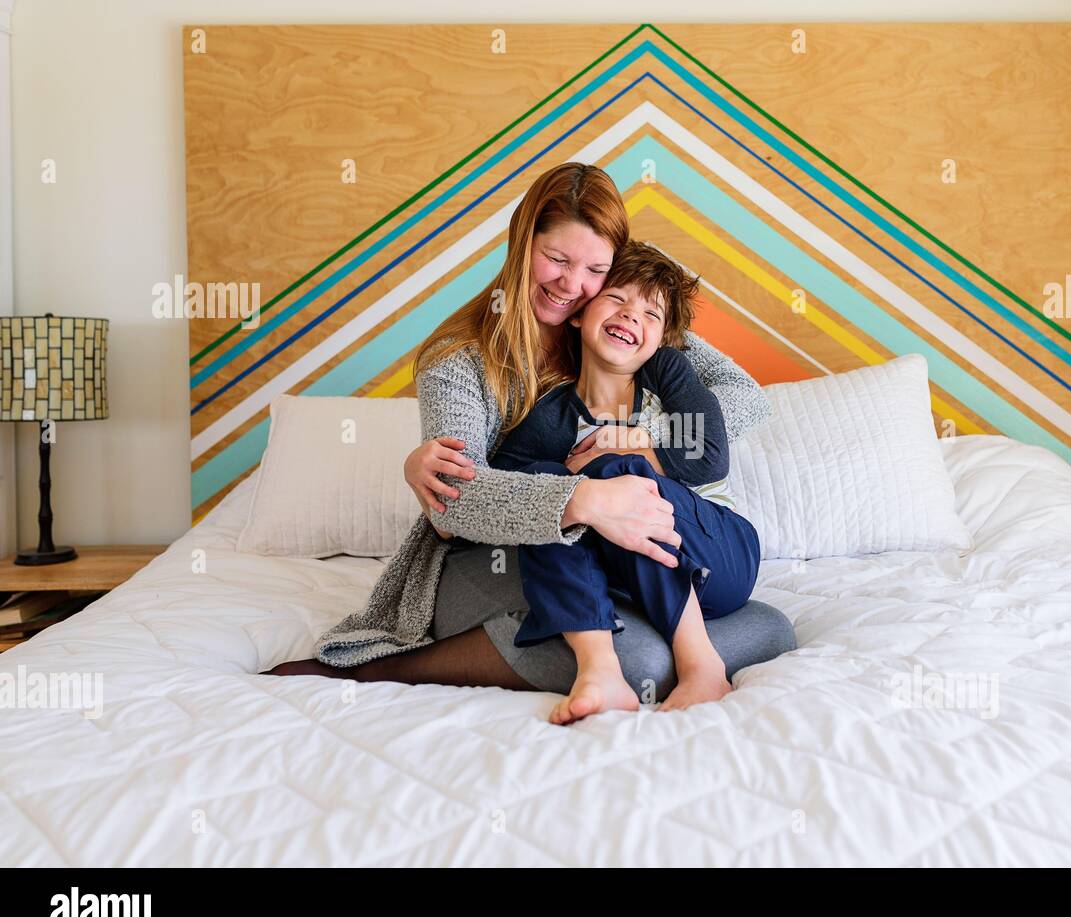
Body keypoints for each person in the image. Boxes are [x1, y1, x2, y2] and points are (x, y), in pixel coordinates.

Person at [264, 162, 794, 703]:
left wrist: (630, 442)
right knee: (642, 658)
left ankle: (658, 644)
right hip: (498, 551)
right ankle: (384, 670)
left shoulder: (627, 323)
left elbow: (743, 398)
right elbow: (458, 504)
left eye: (594, 269)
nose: (572, 284)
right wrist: (585, 495)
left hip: (617, 539)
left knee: (769, 626)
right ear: (523, 245)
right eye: (556, 259)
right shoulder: (460, 359)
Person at [489, 241, 761, 723]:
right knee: (549, 487)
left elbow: (710, 458)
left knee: (619, 474)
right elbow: (506, 492)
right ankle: (600, 671)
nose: (631, 315)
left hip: (721, 554)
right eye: (616, 299)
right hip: (637, 573)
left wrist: (628, 448)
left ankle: (702, 666)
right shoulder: (551, 415)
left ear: (663, 340)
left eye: (651, 313)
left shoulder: (668, 374)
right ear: (578, 314)